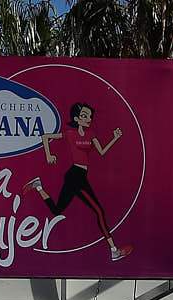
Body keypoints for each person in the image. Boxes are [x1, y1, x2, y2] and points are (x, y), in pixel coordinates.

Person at [29, 102, 131, 262]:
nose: (88, 118)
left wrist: (115, 138)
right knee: (99, 211)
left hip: (79, 176)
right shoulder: (70, 134)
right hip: (75, 176)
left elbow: (102, 152)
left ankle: (38, 186)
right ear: (76, 118)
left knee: (57, 210)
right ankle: (113, 250)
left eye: (89, 116)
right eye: (84, 116)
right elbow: (45, 137)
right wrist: (48, 154)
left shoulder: (91, 135)